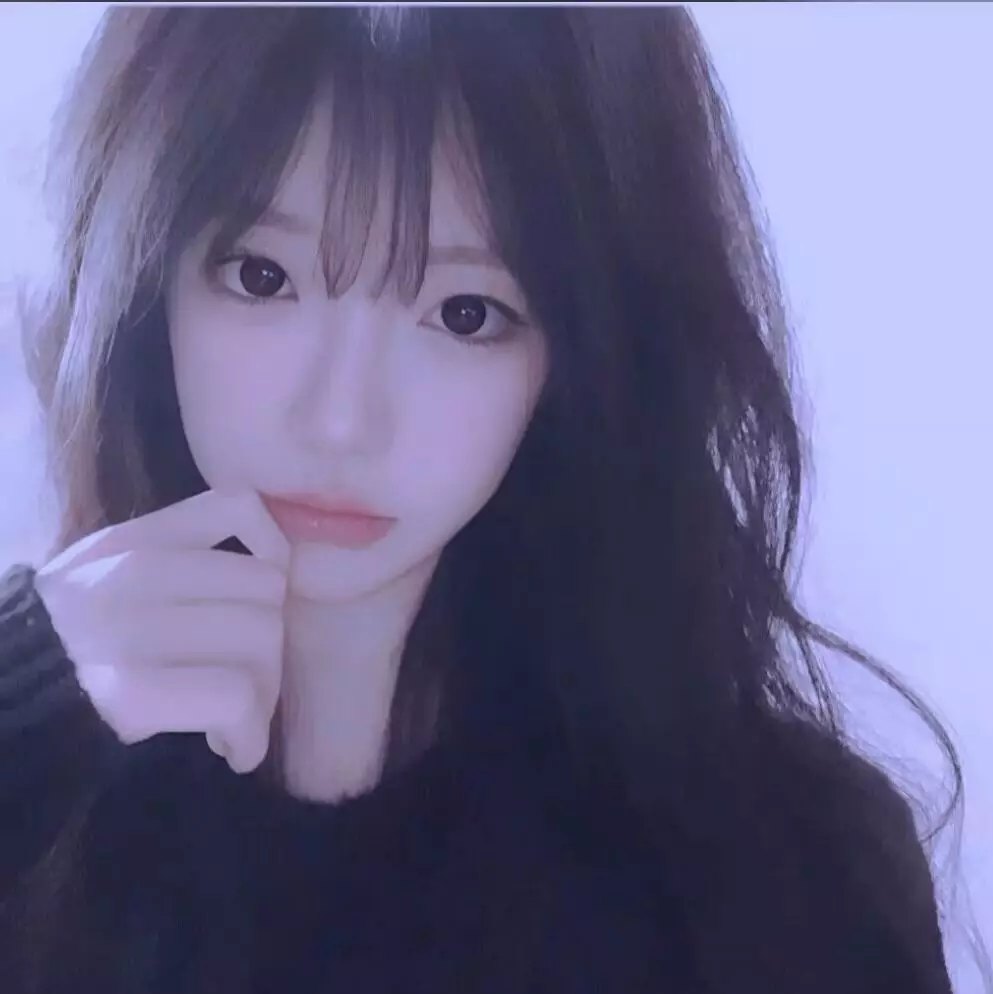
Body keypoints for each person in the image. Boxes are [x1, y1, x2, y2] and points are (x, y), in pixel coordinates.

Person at [0, 7, 967, 993]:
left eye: (465, 314)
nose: (341, 419)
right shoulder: (38, 810)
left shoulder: (782, 878)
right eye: (262, 276)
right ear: (145, 284)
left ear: (581, 355)